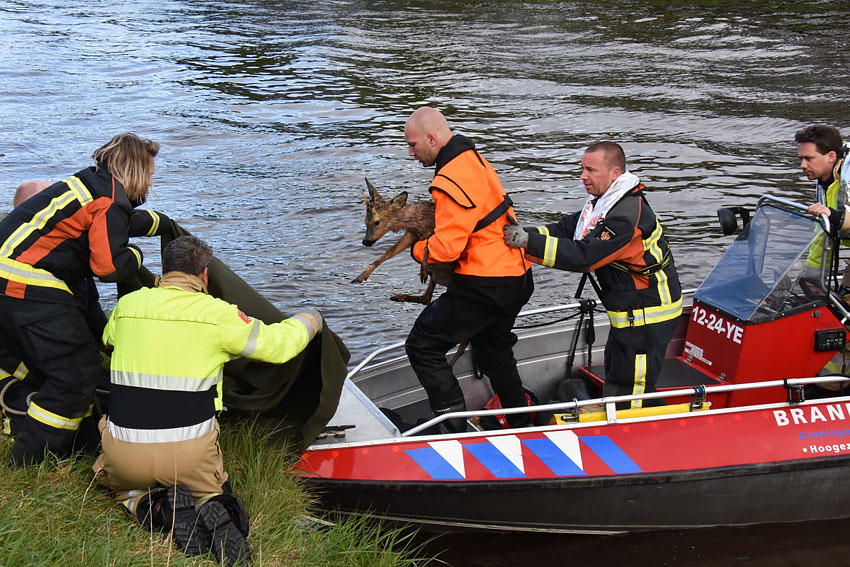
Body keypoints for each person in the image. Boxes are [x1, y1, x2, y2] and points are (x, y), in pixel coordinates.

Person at [93, 235, 323, 566]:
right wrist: (311, 320)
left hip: (126, 454)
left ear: (165, 270)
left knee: (124, 488)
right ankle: (211, 502)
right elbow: (278, 346)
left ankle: (149, 505)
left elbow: (107, 339)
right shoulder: (218, 314)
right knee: (209, 488)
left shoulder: (129, 306)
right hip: (190, 456)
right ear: (204, 275)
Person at [0, 134, 158, 466]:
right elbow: (108, 266)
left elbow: (122, 224)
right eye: (150, 173)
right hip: (24, 284)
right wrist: (136, 257)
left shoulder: (89, 185)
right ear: (136, 168)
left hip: (11, 281)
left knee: (66, 364)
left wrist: (161, 225)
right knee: (77, 373)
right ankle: (29, 461)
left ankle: (70, 438)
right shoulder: (108, 199)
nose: (151, 181)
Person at [504, 141, 682, 409]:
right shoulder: (604, 204)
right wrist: (520, 232)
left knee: (631, 386)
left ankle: (627, 437)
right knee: (618, 366)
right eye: (582, 169)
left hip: (648, 312)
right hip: (631, 310)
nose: (582, 176)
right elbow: (564, 229)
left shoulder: (624, 217)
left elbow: (584, 256)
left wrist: (527, 243)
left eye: (590, 170)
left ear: (614, 173)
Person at [403, 106, 534, 432]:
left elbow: (447, 248)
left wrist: (415, 249)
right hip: (517, 275)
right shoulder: (473, 160)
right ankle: (523, 424)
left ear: (432, 138)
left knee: (422, 344)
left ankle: (455, 429)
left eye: (413, 145)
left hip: (485, 283)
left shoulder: (449, 177)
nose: (410, 153)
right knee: (493, 351)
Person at [797, 125, 850, 387]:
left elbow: (838, 220)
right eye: (801, 159)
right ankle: (827, 384)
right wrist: (810, 278)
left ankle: (832, 390)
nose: (802, 165)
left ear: (830, 156)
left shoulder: (847, 178)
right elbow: (824, 235)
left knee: (845, 317)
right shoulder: (826, 182)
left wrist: (835, 217)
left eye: (809, 159)